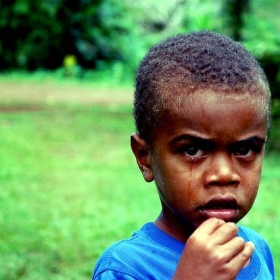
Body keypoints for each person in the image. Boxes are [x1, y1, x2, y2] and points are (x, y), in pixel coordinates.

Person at [92, 30, 275, 279]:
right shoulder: (126, 269)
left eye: (243, 150)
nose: (224, 175)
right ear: (145, 157)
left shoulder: (255, 249)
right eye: (193, 150)